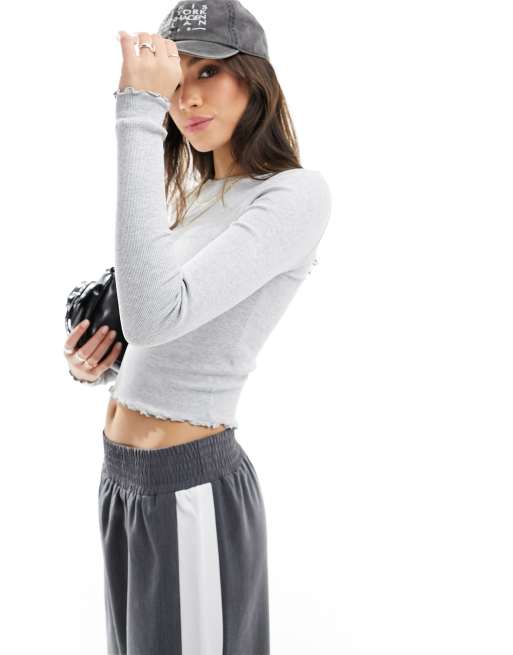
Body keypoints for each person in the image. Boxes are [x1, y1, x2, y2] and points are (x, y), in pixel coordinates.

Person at [63, 1, 331, 653]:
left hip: (187, 488)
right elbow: (165, 337)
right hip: (122, 482)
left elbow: (155, 315)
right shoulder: (196, 198)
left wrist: (136, 110)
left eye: (207, 71)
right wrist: (100, 364)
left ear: (254, 79)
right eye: (175, 78)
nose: (185, 97)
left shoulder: (293, 195)